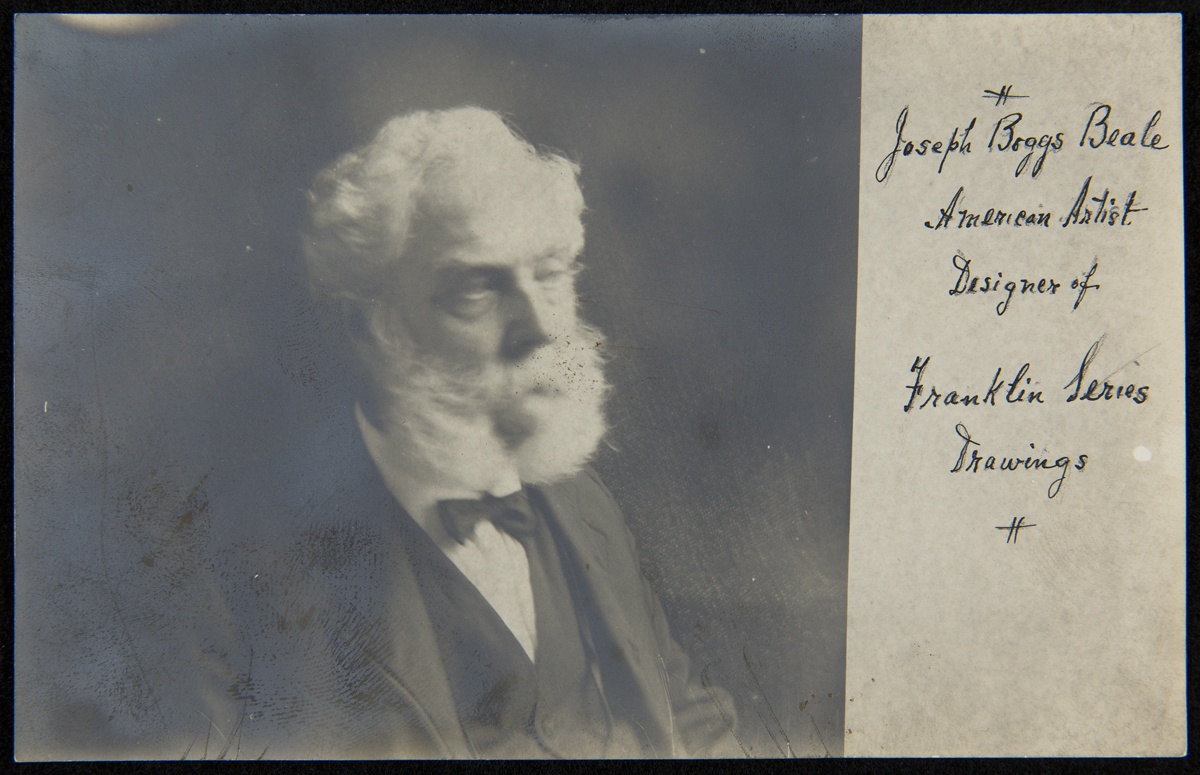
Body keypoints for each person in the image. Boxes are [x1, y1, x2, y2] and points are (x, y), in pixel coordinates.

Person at [172, 106, 740, 759]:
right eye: (477, 287)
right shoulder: (238, 564)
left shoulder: (588, 508)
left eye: (551, 272)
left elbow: (691, 721)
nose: (541, 324)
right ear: (370, 326)